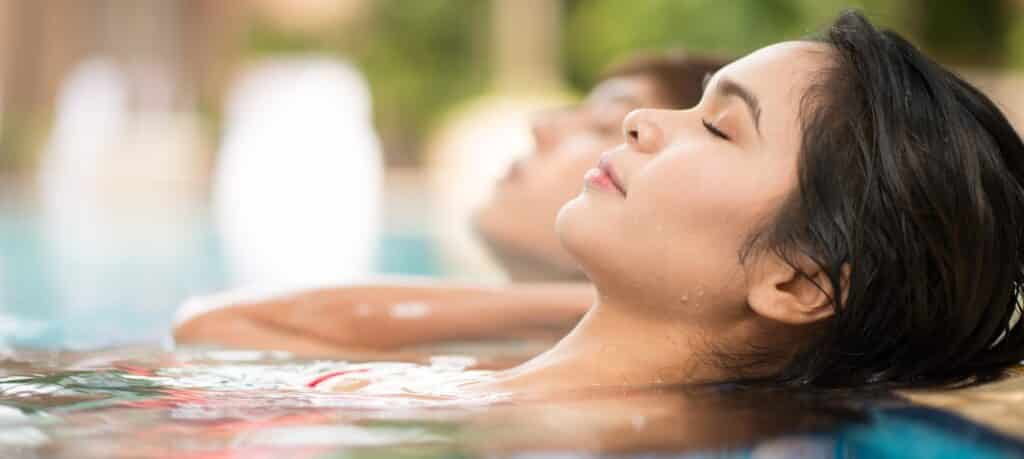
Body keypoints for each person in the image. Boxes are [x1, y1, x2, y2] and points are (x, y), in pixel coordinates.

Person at [180, 11, 1024, 392]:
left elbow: (219, 331)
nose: (644, 123)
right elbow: (218, 330)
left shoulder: (593, 433)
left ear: (800, 282)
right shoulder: (541, 398)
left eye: (720, 128)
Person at [174, 52, 728, 357]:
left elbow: (214, 326)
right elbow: (210, 328)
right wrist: (590, 300)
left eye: (606, 123)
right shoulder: (497, 357)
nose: (541, 126)